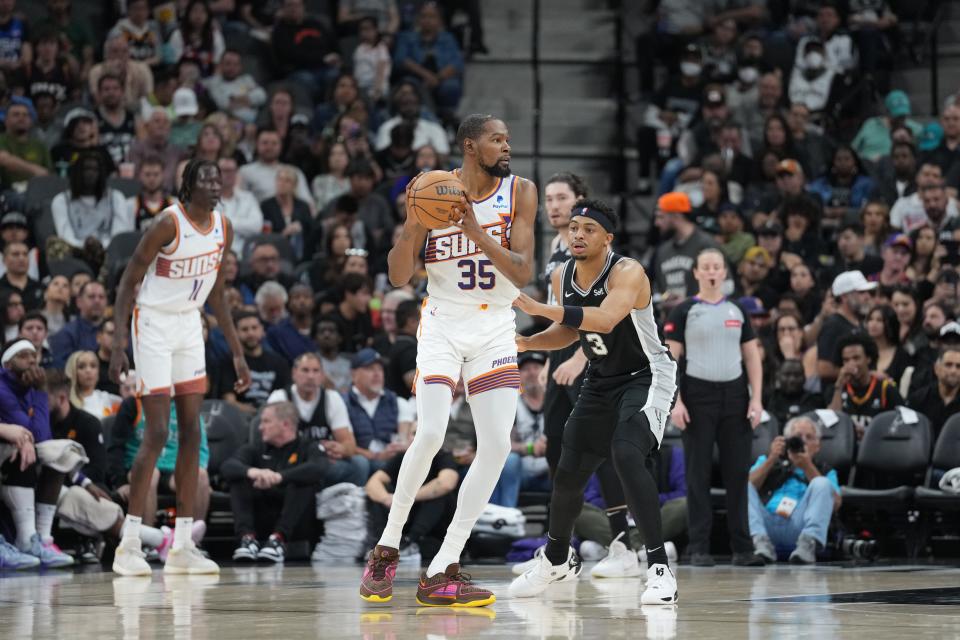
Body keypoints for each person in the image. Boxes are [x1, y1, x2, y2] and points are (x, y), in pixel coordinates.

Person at [359, 113, 536, 607]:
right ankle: (387, 548)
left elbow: (522, 272)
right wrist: (415, 224)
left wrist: (475, 231)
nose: (506, 146)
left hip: (497, 325)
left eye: (507, 138)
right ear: (469, 146)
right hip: (442, 324)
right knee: (432, 432)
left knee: (498, 445)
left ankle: (442, 567)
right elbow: (397, 276)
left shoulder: (521, 191)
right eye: (496, 139)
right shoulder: (431, 189)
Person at [508, 198, 679, 604]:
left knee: (625, 451)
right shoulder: (562, 275)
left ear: (607, 238)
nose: (578, 235)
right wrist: (528, 340)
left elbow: (603, 319)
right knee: (568, 468)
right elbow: (570, 333)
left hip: (647, 375)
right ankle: (555, 559)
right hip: (600, 379)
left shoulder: (628, 271)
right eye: (573, 228)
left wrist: (536, 308)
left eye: (588, 229)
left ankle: (657, 567)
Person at [108, 158, 251, 576]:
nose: (214, 185)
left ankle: (182, 545)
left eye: (218, 179)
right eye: (205, 179)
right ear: (188, 186)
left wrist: (238, 351)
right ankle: (130, 544)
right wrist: (119, 344)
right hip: (152, 322)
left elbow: (218, 293)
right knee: (154, 431)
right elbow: (127, 283)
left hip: (190, 323)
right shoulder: (167, 224)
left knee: (193, 430)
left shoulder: (223, 226)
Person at [665, 248, 766, 567]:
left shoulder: (737, 310)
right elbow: (671, 360)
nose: (711, 272)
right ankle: (698, 547)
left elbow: (752, 357)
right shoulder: (683, 310)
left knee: (738, 473)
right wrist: (676, 401)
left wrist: (756, 398)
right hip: (697, 395)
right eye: (705, 266)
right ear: (696, 272)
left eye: (717, 267)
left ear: (724, 273)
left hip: (735, 395)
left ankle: (743, 547)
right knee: (697, 474)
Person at [222, 402, 329, 564]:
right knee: (238, 478)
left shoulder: (308, 446)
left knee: (304, 481)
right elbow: (228, 466)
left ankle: (278, 540)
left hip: (295, 522)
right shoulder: (256, 448)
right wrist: (253, 472)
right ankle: (247, 539)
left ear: (285, 424)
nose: (260, 427)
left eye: (266, 421)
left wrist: (280, 477)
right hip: (261, 514)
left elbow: (320, 467)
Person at [0, 339, 74, 567]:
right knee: (20, 447)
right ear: (8, 364)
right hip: (8, 450)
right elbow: (25, 429)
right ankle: (23, 538)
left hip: (14, 450)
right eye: (24, 356)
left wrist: (41, 391)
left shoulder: (31, 386)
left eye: (34, 355)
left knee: (62, 452)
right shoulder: (2, 387)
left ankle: (39, 538)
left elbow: (42, 437)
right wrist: (22, 438)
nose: (32, 361)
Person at [748, 416, 841, 565]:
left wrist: (807, 466)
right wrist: (772, 459)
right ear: (786, 441)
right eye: (797, 437)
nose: (803, 441)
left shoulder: (825, 470)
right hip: (766, 526)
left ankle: (808, 545)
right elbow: (745, 488)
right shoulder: (768, 460)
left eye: (809, 437)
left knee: (822, 483)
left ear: (817, 446)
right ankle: (761, 543)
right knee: (743, 486)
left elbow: (836, 503)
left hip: (800, 527)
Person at [267, 352, 367, 486]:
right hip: (289, 461)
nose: (310, 376)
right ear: (294, 373)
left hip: (321, 462)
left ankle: (347, 503)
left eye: (316, 371)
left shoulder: (332, 398)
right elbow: (268, 437)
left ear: (322, 375)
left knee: (360, 463)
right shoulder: (280, 397)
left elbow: (349, 444)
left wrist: (340, 449)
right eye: (305, 370)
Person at [651, 192, 724, 305]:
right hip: (671, 319)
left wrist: (687, 302)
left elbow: (727, 287)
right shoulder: (662, 251)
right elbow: (658, 290)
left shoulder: (706, 245)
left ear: (676, 216)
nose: (656, 223)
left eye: (661, 217)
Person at [50, 150, 132, 250]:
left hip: (109, 253)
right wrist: (85, 248)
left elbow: (120, 235)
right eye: (86, 169)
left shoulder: (116, 198)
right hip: (75, 254)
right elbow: (65, 235)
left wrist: (100, 247)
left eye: (95, 169)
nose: (91, 173)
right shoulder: (61, 200)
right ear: (77, 172)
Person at [829, 332, 904, 438]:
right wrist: (839, 386)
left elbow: (902, 426)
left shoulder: (886, 389)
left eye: (856, 358)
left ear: (868, 359)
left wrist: (871, 435)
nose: (851, 364)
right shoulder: (838, 389)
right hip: (846, 450)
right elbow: (832, 424)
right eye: (846, 360)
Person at [219, 310, 290, 414]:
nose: (251, 333)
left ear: (262, 330)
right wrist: (257, 412)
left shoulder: (279, 362)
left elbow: (285, 399)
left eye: (254, 328)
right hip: (239, 419)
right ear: (235, 333)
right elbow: (229, 402)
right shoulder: (228, 362)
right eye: (245, 329)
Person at [817, 271, 876, 385]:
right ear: (844, 296)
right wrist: (864, 374)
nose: (867, 296)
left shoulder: (859, 324)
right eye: (861, 292)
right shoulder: (833, 325)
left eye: (867, 292)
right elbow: (823, 368)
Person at [49, 280, 107, 368]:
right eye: (91, 297)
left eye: (101, 297)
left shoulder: (115, 331)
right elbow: (62, 368)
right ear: (79, 302)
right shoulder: (66, 334)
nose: (97, 301)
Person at [907, 346, 960, 440]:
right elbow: (908, 434)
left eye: (958, 366)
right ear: (936, 369)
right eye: (948, 365)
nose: (953, 371)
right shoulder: (918, 399)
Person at [0, 100, 51, 187]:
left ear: (31, 121)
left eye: (25, 115)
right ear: (6, 120)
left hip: (37, 191)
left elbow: (48, 172)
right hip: (8, 191)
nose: (21, 118)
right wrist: (35, 170)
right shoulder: (2, 139)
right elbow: (4, 159)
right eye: (16, 115)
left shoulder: (39, 145)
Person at [0, 241, 43, 311]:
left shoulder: (41, 288)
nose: (21, 258)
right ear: (4, 260)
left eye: (25, 254)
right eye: (15, 254)